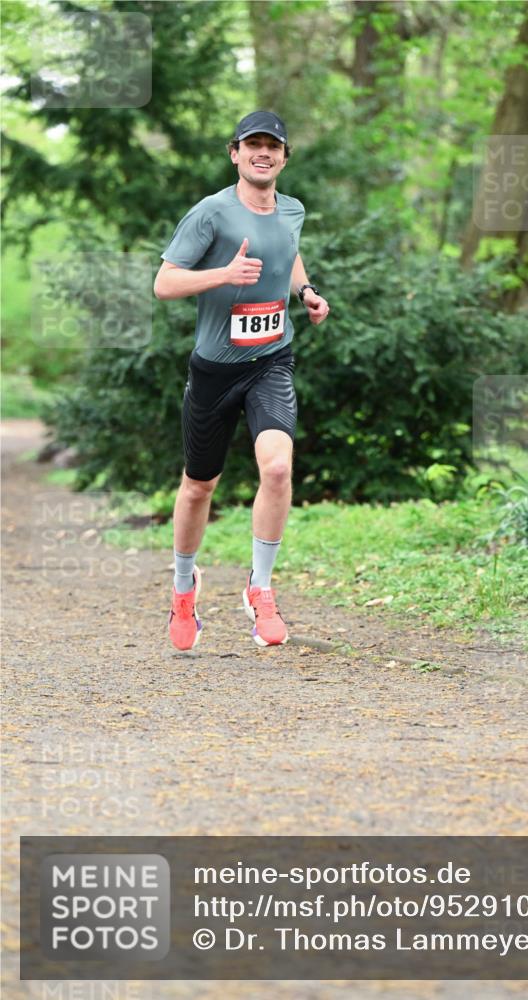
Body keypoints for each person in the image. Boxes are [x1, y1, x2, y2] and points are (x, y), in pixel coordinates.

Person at [154, 110, 329, 651]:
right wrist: (224, 275)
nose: (263, 153)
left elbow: (288, 252)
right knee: (198, 486)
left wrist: (306, 292)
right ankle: (184, 589)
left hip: (271, 361)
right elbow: (164, 282)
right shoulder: (211, 214)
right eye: (252, 144)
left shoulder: (293, 208)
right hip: (214, 371)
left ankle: (260, 588)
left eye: (272, 146)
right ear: (235, 153)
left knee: (277, 468)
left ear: (283, 156)